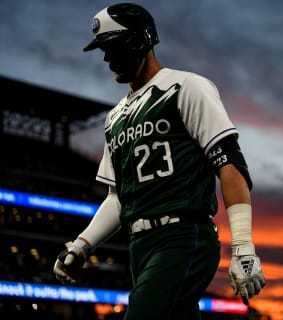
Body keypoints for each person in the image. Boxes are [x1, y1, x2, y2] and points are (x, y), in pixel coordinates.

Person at [52, 3, 266, 319]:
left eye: (112, 47)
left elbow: (230, 164)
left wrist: (244, 246)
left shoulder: (187, 87)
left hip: (183, 236)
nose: (106, 57)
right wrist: (82, 245)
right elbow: (117, 198)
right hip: (140, 245)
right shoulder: (114, 118)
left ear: (139, 41)